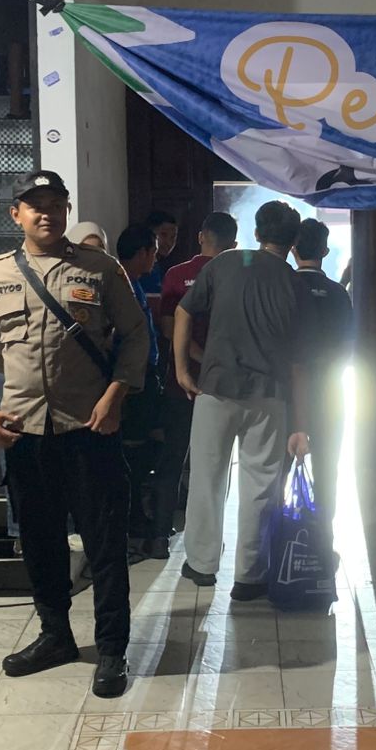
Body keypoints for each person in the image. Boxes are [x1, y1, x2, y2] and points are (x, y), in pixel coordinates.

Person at [0, 170, 148, 698]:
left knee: (104, 546)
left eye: (55, 204)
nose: (45, 213)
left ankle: (111, 649)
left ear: (66, 210)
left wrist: (116, 394)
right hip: (23, 433)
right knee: (41, 543)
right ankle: (55, 636)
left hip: (89, 428)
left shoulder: (100, 269)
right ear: (15, 214)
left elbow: (136, 334)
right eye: (34, 204)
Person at [175, 200, 311, 599]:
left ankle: (202, 565)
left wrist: (182, 369)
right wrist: (301, 422)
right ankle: (250, 576)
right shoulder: (295, 283)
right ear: (293, 241)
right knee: (261, 485)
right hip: (270, 396)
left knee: (207, 478)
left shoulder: (224, 264)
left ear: (256, 232)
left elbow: (183, 312)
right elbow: (299, 363)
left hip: (216, 388)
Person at [151, 211, 239, 558]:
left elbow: (168, 328)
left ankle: (159, 537)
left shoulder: (176, 274)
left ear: (201, 236)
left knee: (172, 459)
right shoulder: (236, 277)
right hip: (223, 384)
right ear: (234, 244)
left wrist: (193, 357)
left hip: (181, 382)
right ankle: (209, 542)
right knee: (215, 466)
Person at [292, 219, 353, 523]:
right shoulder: (339, 294)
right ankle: (322, 533)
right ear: (325, 251)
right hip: (330, 391)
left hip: (288, 392)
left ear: (293, 249)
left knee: (278, 468)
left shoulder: (285, 287)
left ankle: (279, 536)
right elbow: (348, 347)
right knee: (327, 467)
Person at [115, 222, 164, 559]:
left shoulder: (133, 283)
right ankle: (131, 520)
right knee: (133, 452)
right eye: (154, 252)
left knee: (146, 447)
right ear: (143, 252)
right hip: (131, 384)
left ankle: (136, 516)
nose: (156, 259)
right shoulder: (120, 285)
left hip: (142, 379)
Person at [139, 210, 179, 294]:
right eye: (163, 235)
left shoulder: (164, 266)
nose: (169, 243)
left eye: (173, 237)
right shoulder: (142, 265)